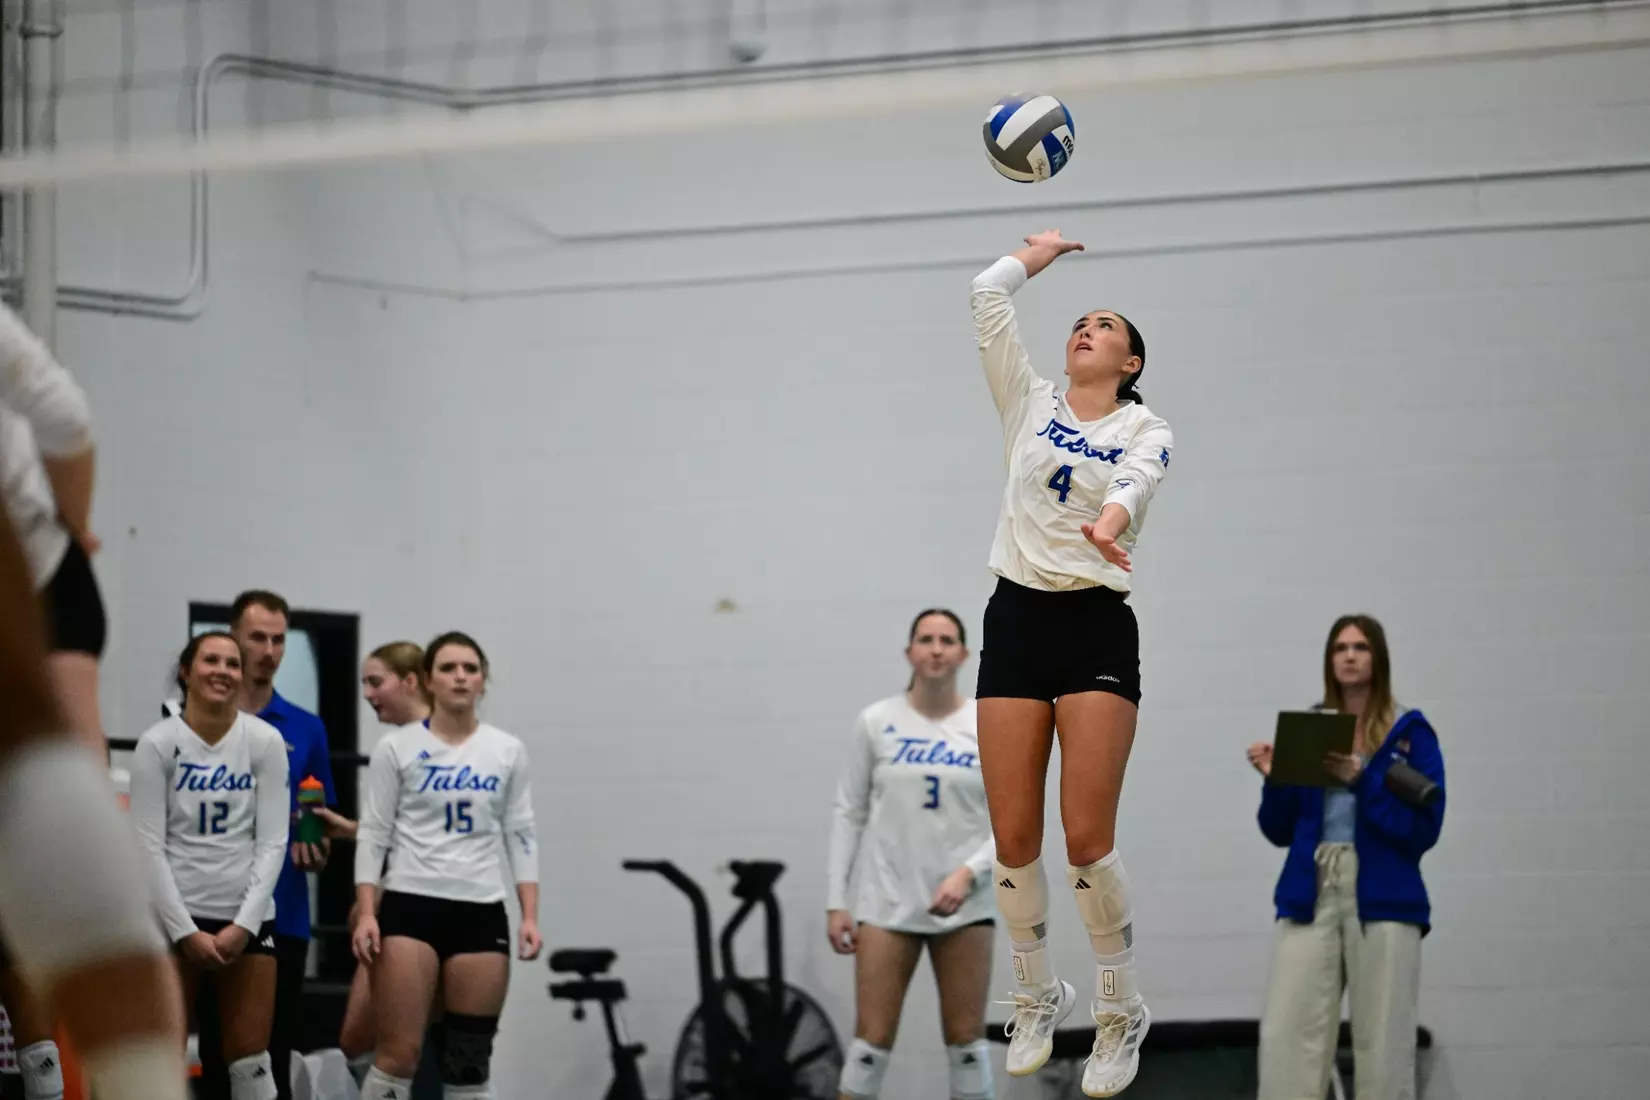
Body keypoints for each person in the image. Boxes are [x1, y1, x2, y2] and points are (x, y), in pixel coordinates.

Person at [968, 230, 1174, 1098]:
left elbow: (1139, 481)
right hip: (1016, 617)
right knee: (1014, 842)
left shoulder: (1145, 425)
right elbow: (986, 297)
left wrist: (1110, 522)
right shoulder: (1031, 399)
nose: (1085, 329)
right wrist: (1034, 256)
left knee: (1086, 841)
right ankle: (1034, 990)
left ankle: (1120, 1007)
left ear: (1129, 362)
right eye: (1079, 322)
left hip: (1093, 626)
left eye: (1104, 326)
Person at [0, 301, 190, 1099]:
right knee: (54, 791)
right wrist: (73, 532)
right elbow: (65, 416)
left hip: (36, 582)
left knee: (55, 792)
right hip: (44, 568)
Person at [1247, 614, 1446, 1100]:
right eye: (1340, 648)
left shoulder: (1409, 733)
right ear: (1329, 660)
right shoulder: (1311, 729)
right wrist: (1276, 778)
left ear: (1378, 658)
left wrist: (1364, 780)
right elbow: (1276, 830)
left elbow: (1424, 829)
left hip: (1383, 893)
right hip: (1311, 888)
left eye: (1360, 647)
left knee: (1383, 1040)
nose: (1350, 656)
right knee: (1286, 1035)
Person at [351, 632, 542, 1100]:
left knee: (469, 1063)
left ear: (483, 682)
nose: (461, 677)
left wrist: (530, 916)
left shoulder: (506, 750)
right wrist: (369, 910)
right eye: (449, 668)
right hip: (412, 906)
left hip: (479, 909)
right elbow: (374, 832)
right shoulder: (397, 749)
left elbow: (520, 832)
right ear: (428, 681)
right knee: (400, 1055)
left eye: (471, 669)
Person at [825, 608, 996, 1100]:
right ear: (909, 653)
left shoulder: (987, 723)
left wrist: (969, 874)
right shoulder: (877, 722)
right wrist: (838, 900)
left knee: (967, 1047)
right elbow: (848, 811)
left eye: (947, 640)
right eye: (926, 639)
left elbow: (1016, 822)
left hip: (965, 908)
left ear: (964, 653)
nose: (937, 648)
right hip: (887, 903)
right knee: (869, 1047)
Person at [128, 631, 292, 1100]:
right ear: (186, 671)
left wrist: (244, 924)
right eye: (211, 660)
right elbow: (147, 845)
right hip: (171, 920)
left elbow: (273, 841)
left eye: (232, 663)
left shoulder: (264, 741)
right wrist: (183, 930)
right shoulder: (157, 744)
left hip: (247, 918)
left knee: (251, 1063)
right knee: (161, 1058)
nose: (223, 671)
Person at [193, 590, 336, 1100]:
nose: (270, 650)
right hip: (205, 911)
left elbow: (316, 824)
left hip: (283, 917)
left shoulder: (306, 727)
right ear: (233, 638)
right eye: (258, 637)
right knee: (210, 1056)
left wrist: (317, 849)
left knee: (267, 1063)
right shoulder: (187, 728)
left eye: (279, 639)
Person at [328, 641, 444, 1096]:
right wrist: (353, 831)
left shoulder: (441, 744)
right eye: (364, 684)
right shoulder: (397, 747)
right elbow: (402, 828)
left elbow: (442, 835)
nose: (368, 694)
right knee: (358, 1039)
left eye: (376, 682)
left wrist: (375, 902)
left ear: (410, 681)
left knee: (408, 1044)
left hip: (432, 912)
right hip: (399, 904)